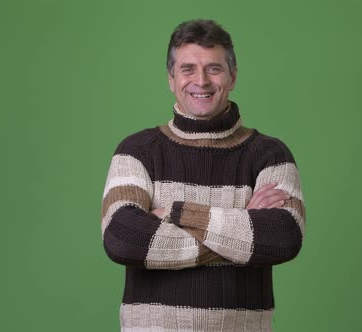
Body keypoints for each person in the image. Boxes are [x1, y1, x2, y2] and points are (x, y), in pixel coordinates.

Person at [100, 19, 306, 331]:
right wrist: (241, 223)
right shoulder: (136, 151)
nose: (201, 81)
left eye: (213, 68)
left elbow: (282, 238)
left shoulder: (270, 155)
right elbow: (122, 239)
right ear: (171, 78)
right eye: (187, 69)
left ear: (233, 76)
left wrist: (172, 212)